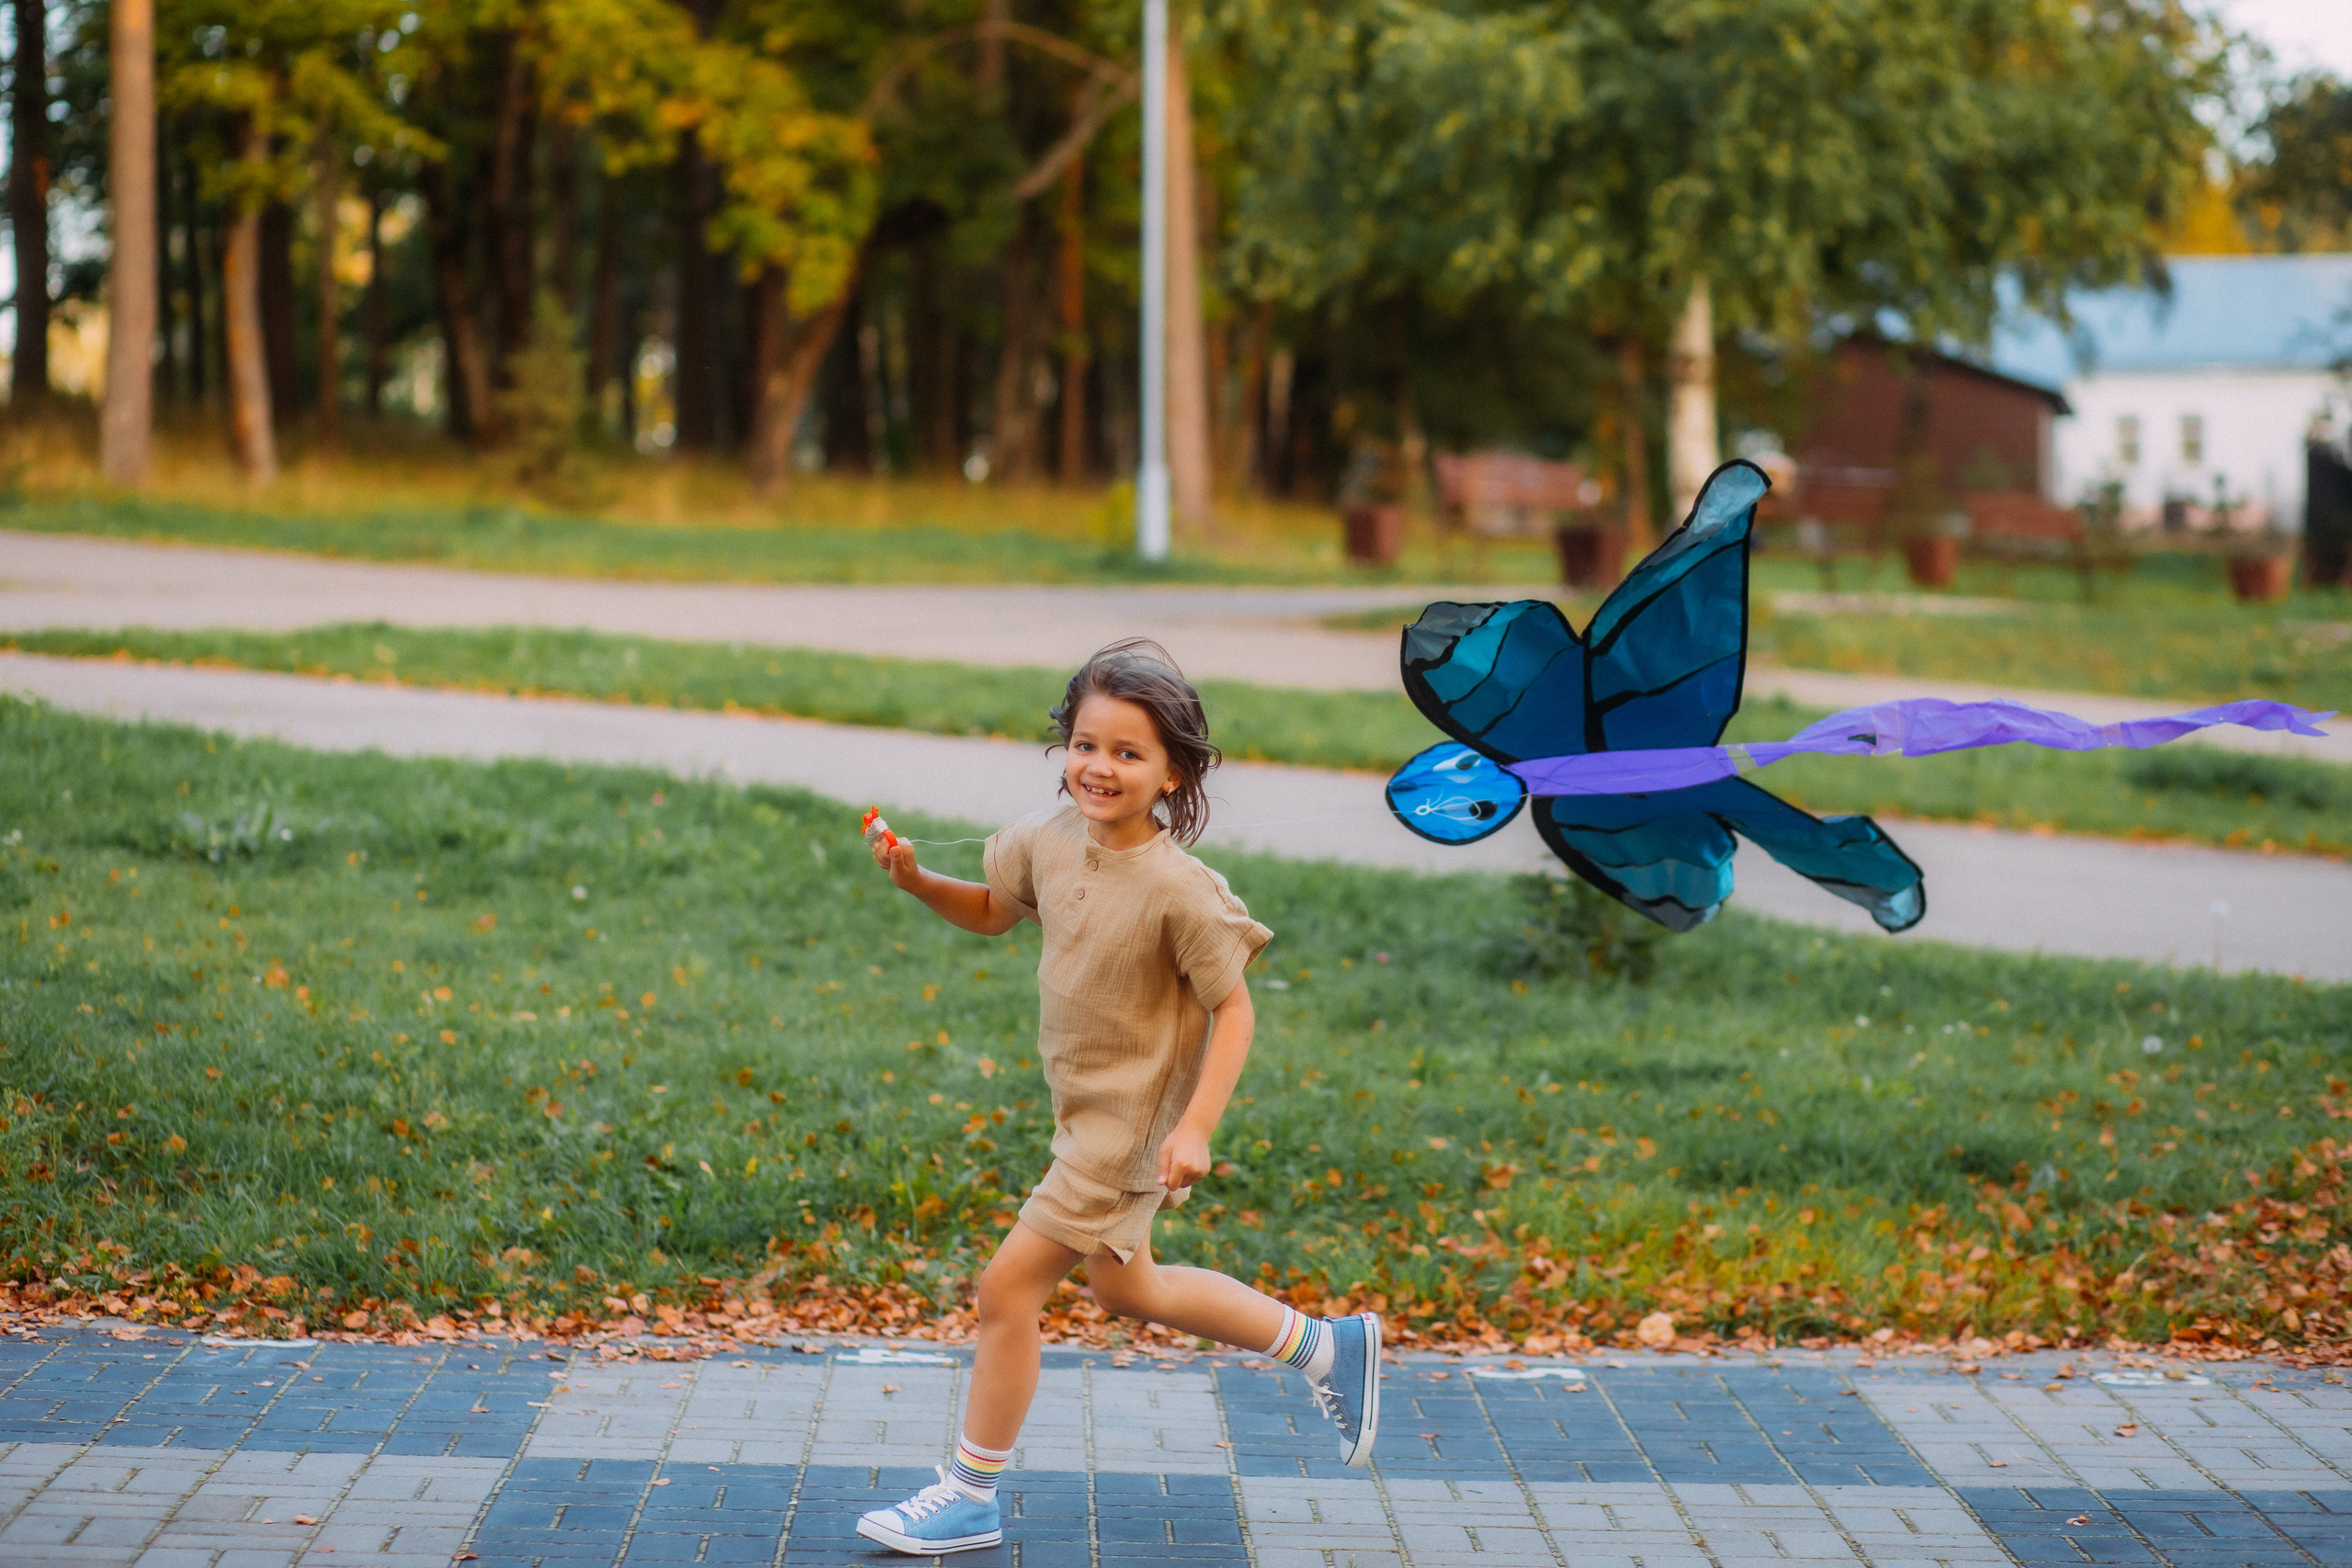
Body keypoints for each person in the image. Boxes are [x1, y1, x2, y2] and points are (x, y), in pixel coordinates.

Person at [854, 638, 1381, 1555]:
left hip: (1127, 1127)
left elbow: (1236, 1012)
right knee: (1127, 1287)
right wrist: (915, 880)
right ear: (1064, 746)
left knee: (1006, 1288)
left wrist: (1197, 1127)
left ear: (1172, 772)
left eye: (1128, 754)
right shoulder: (1045, 840)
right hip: (1079, 1113)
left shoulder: (1180, 890)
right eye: (1086, 745)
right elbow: (990, 909)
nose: (1100, 767)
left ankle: (970, 1492)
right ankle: (1326, 1348)